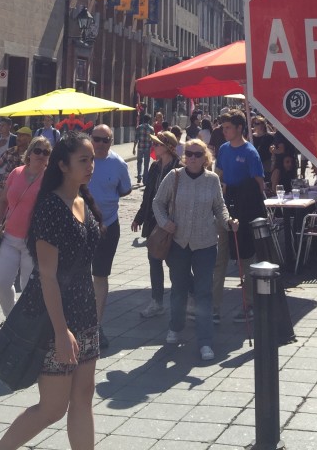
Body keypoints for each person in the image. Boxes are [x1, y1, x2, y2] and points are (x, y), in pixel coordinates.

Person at [0, 133, 102, 450]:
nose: (91, 165)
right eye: (83, 160)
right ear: (62, 165)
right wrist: (61, 331)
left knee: (82, 398)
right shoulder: (50, 206)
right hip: (53, 315)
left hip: (83, 310)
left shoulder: (82, 199)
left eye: (92, 159)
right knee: (52, 407)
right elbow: (46, 275)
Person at [153, 138, 238, 362]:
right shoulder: (175, 177)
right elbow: (157, 202)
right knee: (179, 288)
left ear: (205, 158)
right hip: (179, 243)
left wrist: (228, 221)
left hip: (205, 243)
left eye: (197, 155)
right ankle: (175, 326)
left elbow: (219, 207)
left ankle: (205, 341)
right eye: (189, 153)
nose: (192, 158)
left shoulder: (212, 181)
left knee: (203, 293)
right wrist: (164, 222)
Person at [213, 110, 265, 324]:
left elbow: (259, 183)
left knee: (245, 257)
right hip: (226, 207)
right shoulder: (224, 149)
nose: (224, 131)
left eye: (227, 128)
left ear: (239, 129)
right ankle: (214, 306)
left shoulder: (250, 152)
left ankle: (250, 303)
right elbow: (218, 175)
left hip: (245, 210)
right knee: (220, 257)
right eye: (223, 128)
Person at [0, 136, 50, 315]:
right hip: (9, 237)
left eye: (46, 152)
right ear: (29, 153)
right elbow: (2, 201)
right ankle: (11, 318)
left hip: (33, 241)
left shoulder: (50, 179)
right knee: (1, 282)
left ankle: (27, 323)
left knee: (27, 286)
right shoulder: (16, 173)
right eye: (37, 150)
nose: (41, 155)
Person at [86, 124, 131, 348]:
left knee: (100, 276)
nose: (101, 144)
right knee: (75, 273)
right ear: (90, 139)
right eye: (97, 139)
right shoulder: (82, 159)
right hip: (79, 225)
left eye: (106, 140)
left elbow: (125, 189)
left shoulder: (119, 164)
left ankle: (95, 326)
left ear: (112, 141)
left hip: (108, 225)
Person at [130, 131, 181, 318]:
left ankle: (190, 295)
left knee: (176, 263)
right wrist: (139, 217)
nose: (154, 147)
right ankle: (157, 302)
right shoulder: (154, 167)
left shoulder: (179, 168)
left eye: (158, 144)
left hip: (173, 223)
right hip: (154, 222)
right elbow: (148, 195)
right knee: (154, 260)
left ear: (168, 146)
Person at [131, 114, 154, 186]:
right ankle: (145, 179)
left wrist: (134, 148)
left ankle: (139, 176)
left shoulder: (139, 127)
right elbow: (152, 140)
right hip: (147, 148)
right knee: (146, 164)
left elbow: (136, 139)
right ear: (149, 120)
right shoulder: (151, 128)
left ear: (143, 119)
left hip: (140, 147)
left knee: (139, 162)